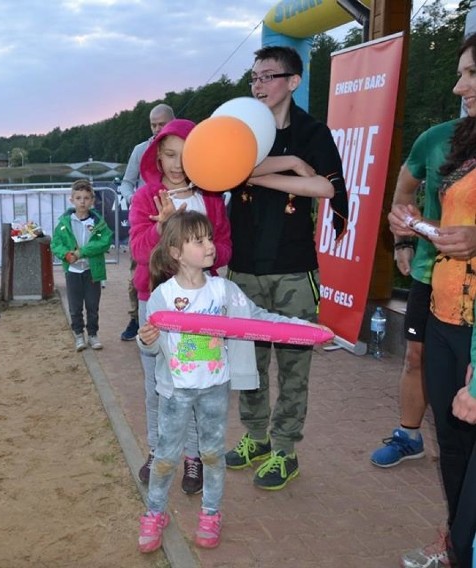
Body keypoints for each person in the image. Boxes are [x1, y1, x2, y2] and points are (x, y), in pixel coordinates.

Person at [135, 211, 323, 553]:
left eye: (210, 237)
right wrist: (147, 339)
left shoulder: (224, 291)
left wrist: (302, 328)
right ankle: (154, 512)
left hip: (214, 388)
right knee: (164, 456)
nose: (211, 245)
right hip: (174, 391)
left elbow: (259, 318)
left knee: (211, 454)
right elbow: (149, 346)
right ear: (176, 252)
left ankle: (210, 514)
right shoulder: (162, 296)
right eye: (200, 240)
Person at [224, 45, 349, 490]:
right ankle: (255, 438)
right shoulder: (237, 130)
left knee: (294, 366)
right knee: (248, 363)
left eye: (268, 76)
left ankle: (285, 450)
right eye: (254, 77)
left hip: (294, 270)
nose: (258, 85)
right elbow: (217, 171)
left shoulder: (313, 131)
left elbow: (326, 187)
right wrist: (292, 167)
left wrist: (260, 173)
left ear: (292, 82)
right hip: (243, 269)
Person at [391, 35, 476, 568]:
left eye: (470, 74)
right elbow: (446, 226)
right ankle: (455, 542)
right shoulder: (453, 139)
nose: (457, 85)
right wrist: (410, 229)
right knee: (453, 439)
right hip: (445, 312)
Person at [129, 118, 232, 495]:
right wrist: (162, 227)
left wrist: (200, 250)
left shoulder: (212, 200)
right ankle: (158, 451)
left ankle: (192, 457)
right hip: (155, 304)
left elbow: (224, 248)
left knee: (197, 383)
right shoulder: (146, 198)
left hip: (202, 309)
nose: (176, 164)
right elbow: (140, 253)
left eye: (186, 155)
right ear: (157, 155)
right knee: (157, 384)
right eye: (169, 154)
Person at [370, 119, 458, 468]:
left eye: (471, 75)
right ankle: (409, 436)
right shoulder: (435, 138)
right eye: (460, 75)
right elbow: (405, 190)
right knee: (416, 357)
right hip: (430, 270)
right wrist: (403, 240)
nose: (459, 87)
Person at [118, 103, 175, 342]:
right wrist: (132, 198)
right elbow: (126, 182)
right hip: (146, 222)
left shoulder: (187, 149)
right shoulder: (140, 150)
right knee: (139, 273)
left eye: (162, 124)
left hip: (176, 222)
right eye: (153, 124)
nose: (157, 129)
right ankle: (136, 318)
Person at [51, 179, 113, 351]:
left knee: (92, 305)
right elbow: (55, 244)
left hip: (92, 270)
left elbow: (104, 242)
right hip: (72, 271)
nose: (83, 201)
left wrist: (82, 252)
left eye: (86, 198)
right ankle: (79, 335)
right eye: (78, 198)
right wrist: (66, 254)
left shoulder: (98, 223)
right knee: (75, 306)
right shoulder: (64, 223)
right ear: (72, 200)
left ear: (92, 200)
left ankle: (93, 335)